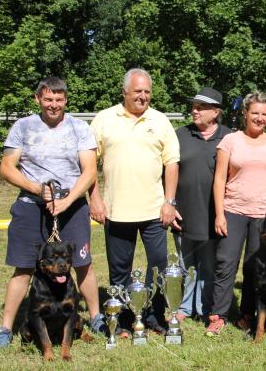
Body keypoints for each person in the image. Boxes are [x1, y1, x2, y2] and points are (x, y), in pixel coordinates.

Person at [0, 76, 104, 350]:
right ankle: (5, 329)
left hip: (72, 206)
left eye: (59, 99)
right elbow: (6, 167)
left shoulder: (79, 127)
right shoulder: (23, 127)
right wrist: (36, 188)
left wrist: (69, 200)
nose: (54, 105)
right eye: (48, 99)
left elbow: (89, 171)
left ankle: (97, 317)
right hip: (31, 207)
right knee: (24, 267)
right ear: (38, 99)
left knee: (82, 264)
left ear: (66, 100)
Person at [88, 68, 181, 335]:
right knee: (119, 271)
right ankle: (123, 319)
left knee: (158, 268)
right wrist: (94, 199)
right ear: (124, 92)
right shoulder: (104, 119)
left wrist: (170, 201)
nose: (143, 97)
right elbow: (89, 164)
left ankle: (154, 316)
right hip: (116, 211)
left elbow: (172, 163)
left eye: (147, 92)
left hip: (154, 211)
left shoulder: (160, 120)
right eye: (138, 91)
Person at [206, 91, 266, 336]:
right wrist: (219, 214)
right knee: (225, 264)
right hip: (233, 210)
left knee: (256, 267)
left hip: (264, 215)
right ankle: (218, 315)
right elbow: (219, 179)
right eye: (255, 113)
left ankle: (247, 314)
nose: (260, 118)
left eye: (264, 114)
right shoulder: (230, 141)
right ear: (245, 113)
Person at [173, 87, 232, 322]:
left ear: (215, 112)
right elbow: (167, 170)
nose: (194, 110)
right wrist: (170, 203)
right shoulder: (179, 135)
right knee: (186, 264)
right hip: (183, 212)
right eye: (194, 106)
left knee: (209, 265)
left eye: (201, 107)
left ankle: (206, 307)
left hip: (214, 215)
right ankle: (185, 308)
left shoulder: (229, 137)